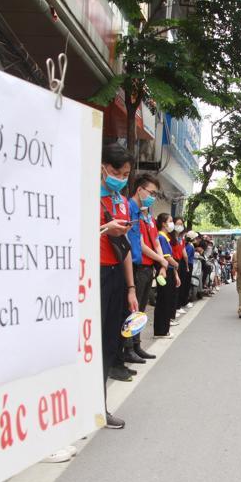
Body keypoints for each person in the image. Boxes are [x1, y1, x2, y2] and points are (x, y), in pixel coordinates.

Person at [98, 145, 140, 412]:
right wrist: (104, 228)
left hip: (116, 277)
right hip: (93, 274)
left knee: (109, 344)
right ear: (102, 167)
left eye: (125, 174)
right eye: (116, 172)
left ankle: (98, 407)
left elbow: (123, 246)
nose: (121, 178)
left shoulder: (121, 202)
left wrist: (131, 287)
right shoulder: (86, 195)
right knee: (90, 344)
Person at [122, 172, 165, 365]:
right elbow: (137, 242)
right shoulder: (129, 208)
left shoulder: (139, 212)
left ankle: (136, 345)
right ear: (140, 190)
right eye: (151, 193)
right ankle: (127, 348)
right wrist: (161, 260)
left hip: (141, 265)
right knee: (132, 310)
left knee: (139, 309)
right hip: (132, 265)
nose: (152, 197)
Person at [154, 213, 181, 338]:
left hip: (169, 270)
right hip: (163, 271)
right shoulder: (161, 237)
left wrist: (175, 272)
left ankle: (164, 329)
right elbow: (167, 257)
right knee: (163, 300)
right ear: (164, 223)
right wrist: (176, 264)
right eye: (170, 221)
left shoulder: (166, 237)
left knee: (167, 300)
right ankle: (160, 331)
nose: (172, 224)